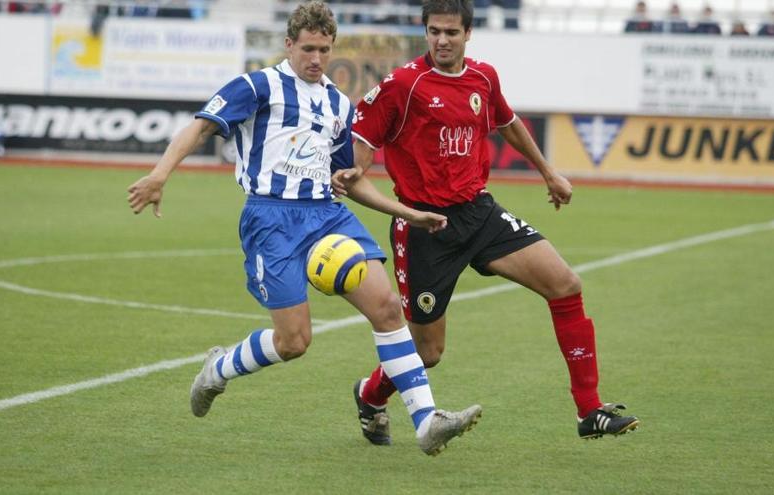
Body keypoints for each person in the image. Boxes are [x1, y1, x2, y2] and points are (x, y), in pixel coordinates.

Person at [126, 0, 481, 456]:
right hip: (270, 218)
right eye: (308, 48)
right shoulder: (258, 86)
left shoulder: (336, 102)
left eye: (325, 50)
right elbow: (199, 127)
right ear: (289, 44)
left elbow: (347, 180)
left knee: (389, 307)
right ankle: (217, 370)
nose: (316, 59)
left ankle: (426, 421)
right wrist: (160, 175)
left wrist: (407, 213)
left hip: (326, 214)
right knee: (294, 342)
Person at [332, 0, 639, 444]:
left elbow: (509, 123)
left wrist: (549, 173)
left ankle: (589, 409)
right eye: (434, 31)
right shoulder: (403, 85)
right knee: (428, 352)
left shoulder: (483, 77)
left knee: (566, 284)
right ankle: (371, 394)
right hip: (425, 227)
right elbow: (359, 160)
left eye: (451, 32)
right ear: (426, 32)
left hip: (479, 212)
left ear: (468, 34)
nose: (442, 40)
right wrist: (367, 183)